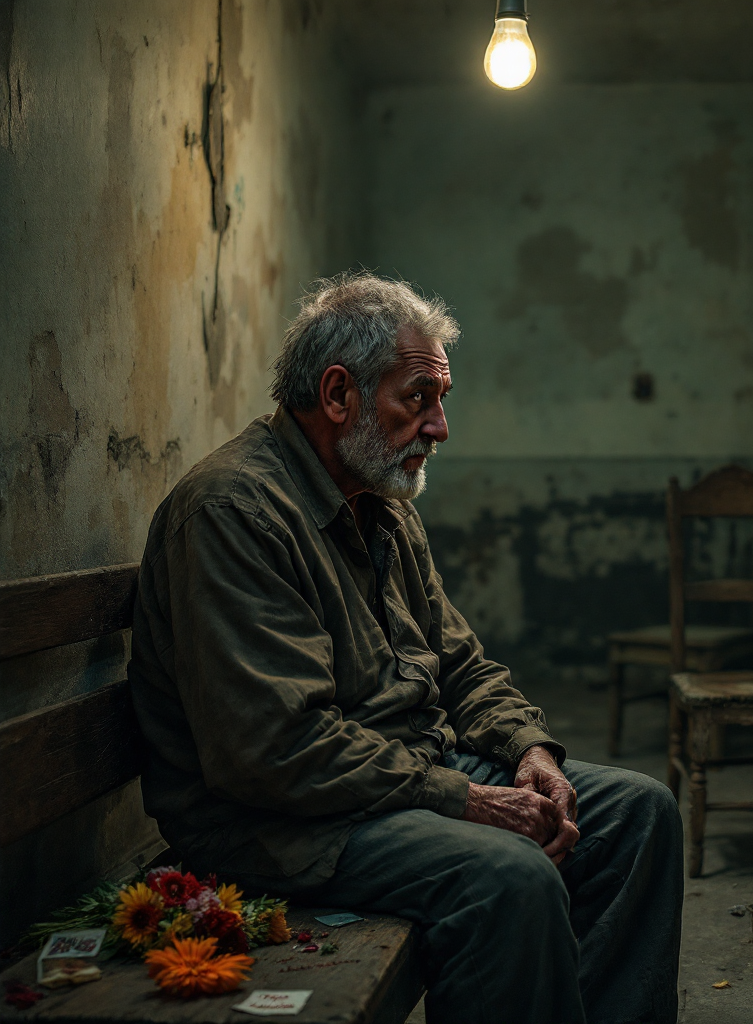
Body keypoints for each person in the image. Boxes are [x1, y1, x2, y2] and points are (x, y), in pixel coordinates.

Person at [129, 273, 683, 1024]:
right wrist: (469, 800)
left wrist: (529, 751)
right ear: (337, 396)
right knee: (510, 876)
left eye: (441, 400)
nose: (439, 427)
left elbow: (461, 662)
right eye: (417, 399)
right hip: (279, 822)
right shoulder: (234, 511)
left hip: (401, 772)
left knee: (640, 813)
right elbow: (274, 749)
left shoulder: (379, 499)